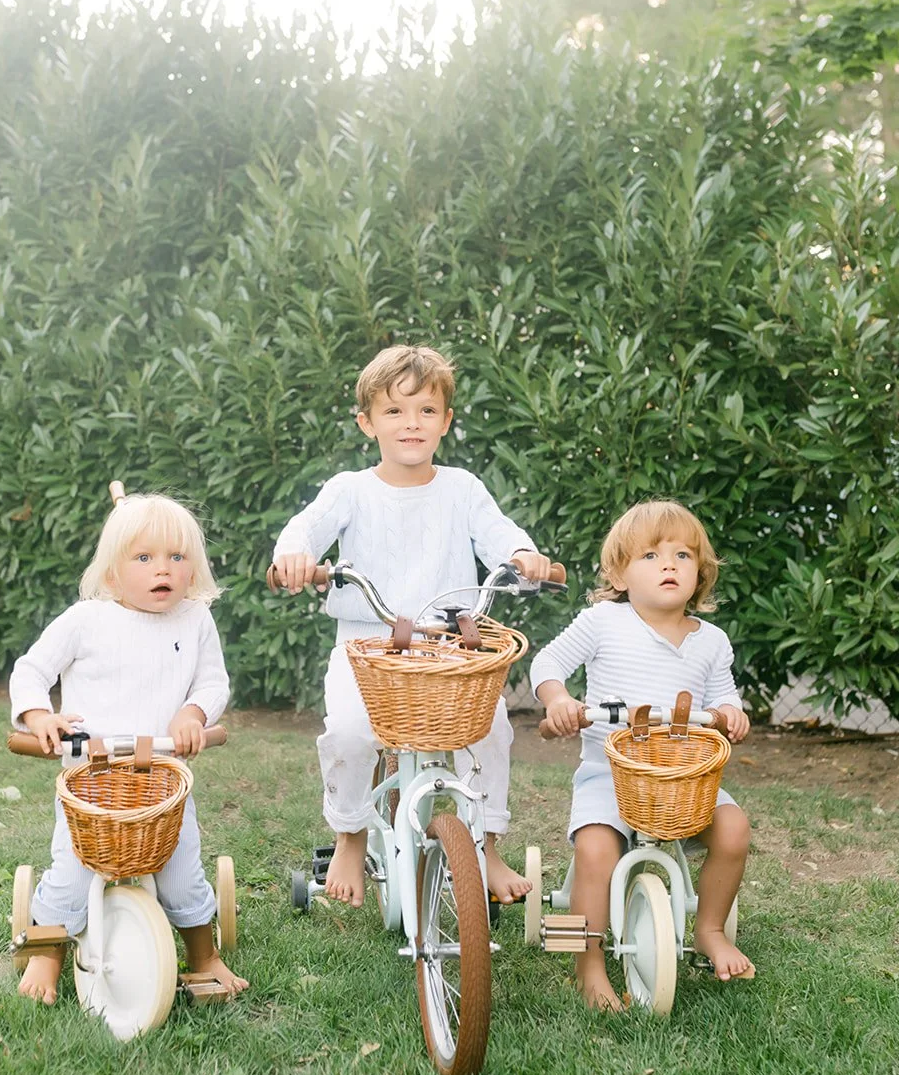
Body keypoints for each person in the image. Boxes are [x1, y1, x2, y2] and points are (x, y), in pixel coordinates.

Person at [272, 343, 554, 907]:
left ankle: (486, 845)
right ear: (367, 421)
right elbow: (304, 529)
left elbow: (498, 532)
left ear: (446, 421)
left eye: (427, 411)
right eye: (395, 411)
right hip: (367, 645)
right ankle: (351, 835)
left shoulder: (462, 488)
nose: (411, 424)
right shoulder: (350, 489)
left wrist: (524, 554)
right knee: (352, 733)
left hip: (451, 645)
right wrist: (295, 556)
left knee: (492, 730)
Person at [9, 491, 247, 1004]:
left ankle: (203, 957)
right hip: (90, 780)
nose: (163, 569)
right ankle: (48, 953)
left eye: (176, 557)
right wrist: (38, 714)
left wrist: (193, 713)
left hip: (162, 777)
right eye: (144, 558)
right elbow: (31, 670)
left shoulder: (195, 619)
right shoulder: (86, 619)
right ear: (113, 573)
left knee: (182, 872)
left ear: (193, 568)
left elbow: (212, 683)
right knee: (73, 872)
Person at [531, 499, 753, 1011]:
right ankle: (589, 966)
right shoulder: (604, 621)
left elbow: (724, 694)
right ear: (620, 573)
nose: (669, 565)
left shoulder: (711, 641)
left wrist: (729, 712)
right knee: (596, 852)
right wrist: (559, 699)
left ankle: (710, 929)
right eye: (651, 556)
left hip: (681, 778)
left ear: (700, 573)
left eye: (682, 555)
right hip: (609, 774)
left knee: (734, 828)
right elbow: (548, 662)